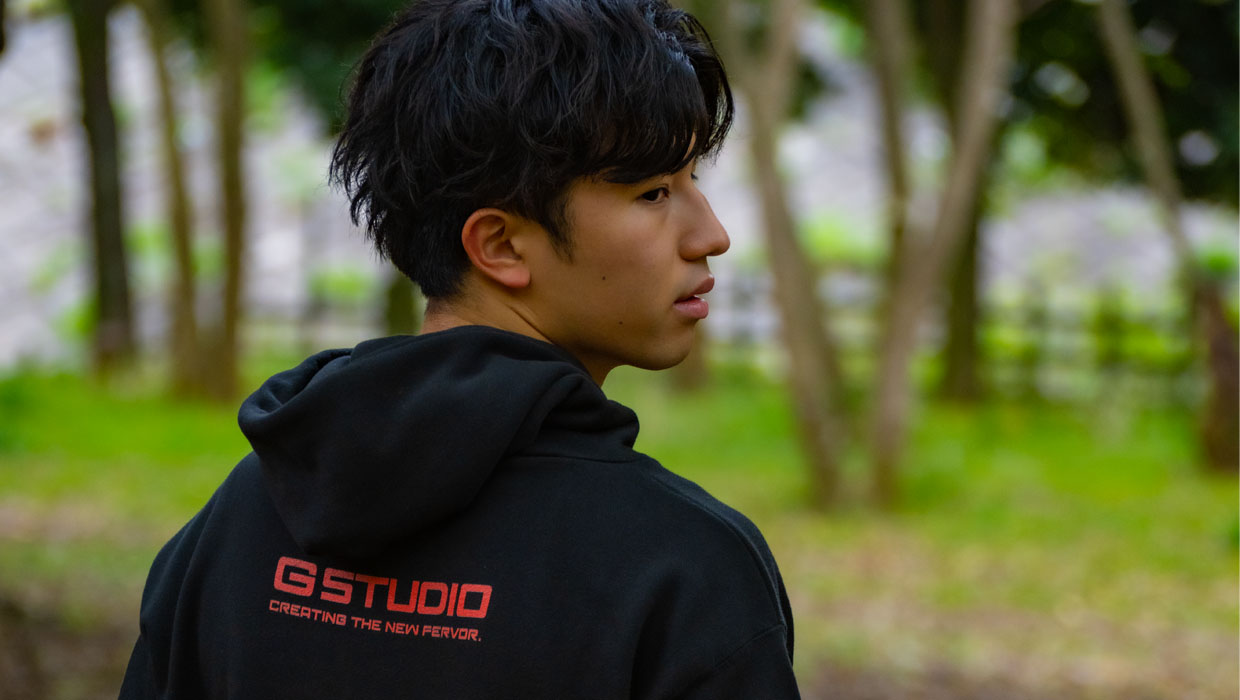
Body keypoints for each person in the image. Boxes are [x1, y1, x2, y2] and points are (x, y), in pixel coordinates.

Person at [120, 0, 801, 697]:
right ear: (501, 245)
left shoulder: (240, 520)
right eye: (654, 193)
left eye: (693, 181)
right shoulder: (683, 569)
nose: (712, 234)